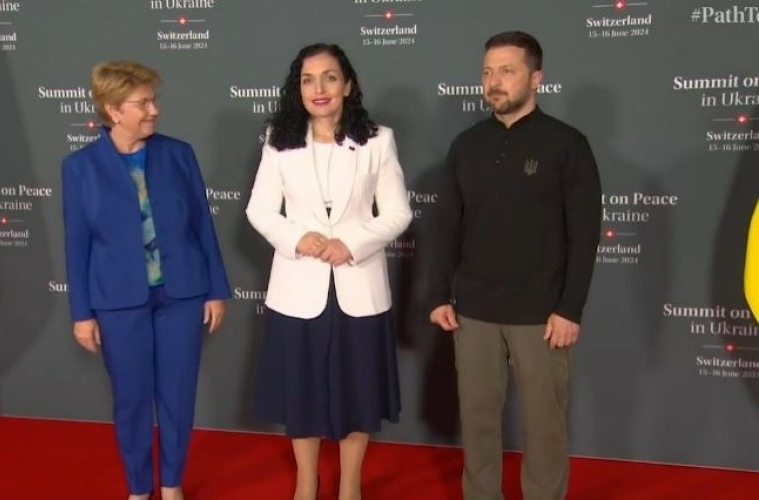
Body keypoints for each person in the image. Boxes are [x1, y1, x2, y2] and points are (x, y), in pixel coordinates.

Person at [428, 32, 602, 500]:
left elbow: (585, 235)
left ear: (536, 78)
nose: (494, 81)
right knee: (478, 423)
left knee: (544, 427)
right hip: (474, 312)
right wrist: (440, 294)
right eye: (487, 72)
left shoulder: (567, 144)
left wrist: (570, 308)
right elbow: (446, 226)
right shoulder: (466, 145)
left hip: (542, 315)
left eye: (507, 71)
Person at [246, 43, 412, 500]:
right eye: (308, 79)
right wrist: (297, 238)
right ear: (297, 89)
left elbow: (398, 212)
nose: (318, 88)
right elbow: (260, 210)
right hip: (297, 288)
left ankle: (350, 486)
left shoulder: (378, 140)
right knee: (301, 391)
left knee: (359, 391)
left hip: (360, 286)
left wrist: (352, 244)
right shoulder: (278, 141)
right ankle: (306, 482)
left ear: (348, 85)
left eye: (329, 77)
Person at [61, 61, 230, 500]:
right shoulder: (79, 167)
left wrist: (216, 289)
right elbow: (77, 245)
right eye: (143, 103)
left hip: (183, 295)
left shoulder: (179, 154)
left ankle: (172, 484)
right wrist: (81, 313)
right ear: (114, 110)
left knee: (178, 396)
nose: (154, 109)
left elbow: (202, 226)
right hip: (118, 302)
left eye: (154, 100)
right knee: (131, 401)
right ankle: (139, 488)